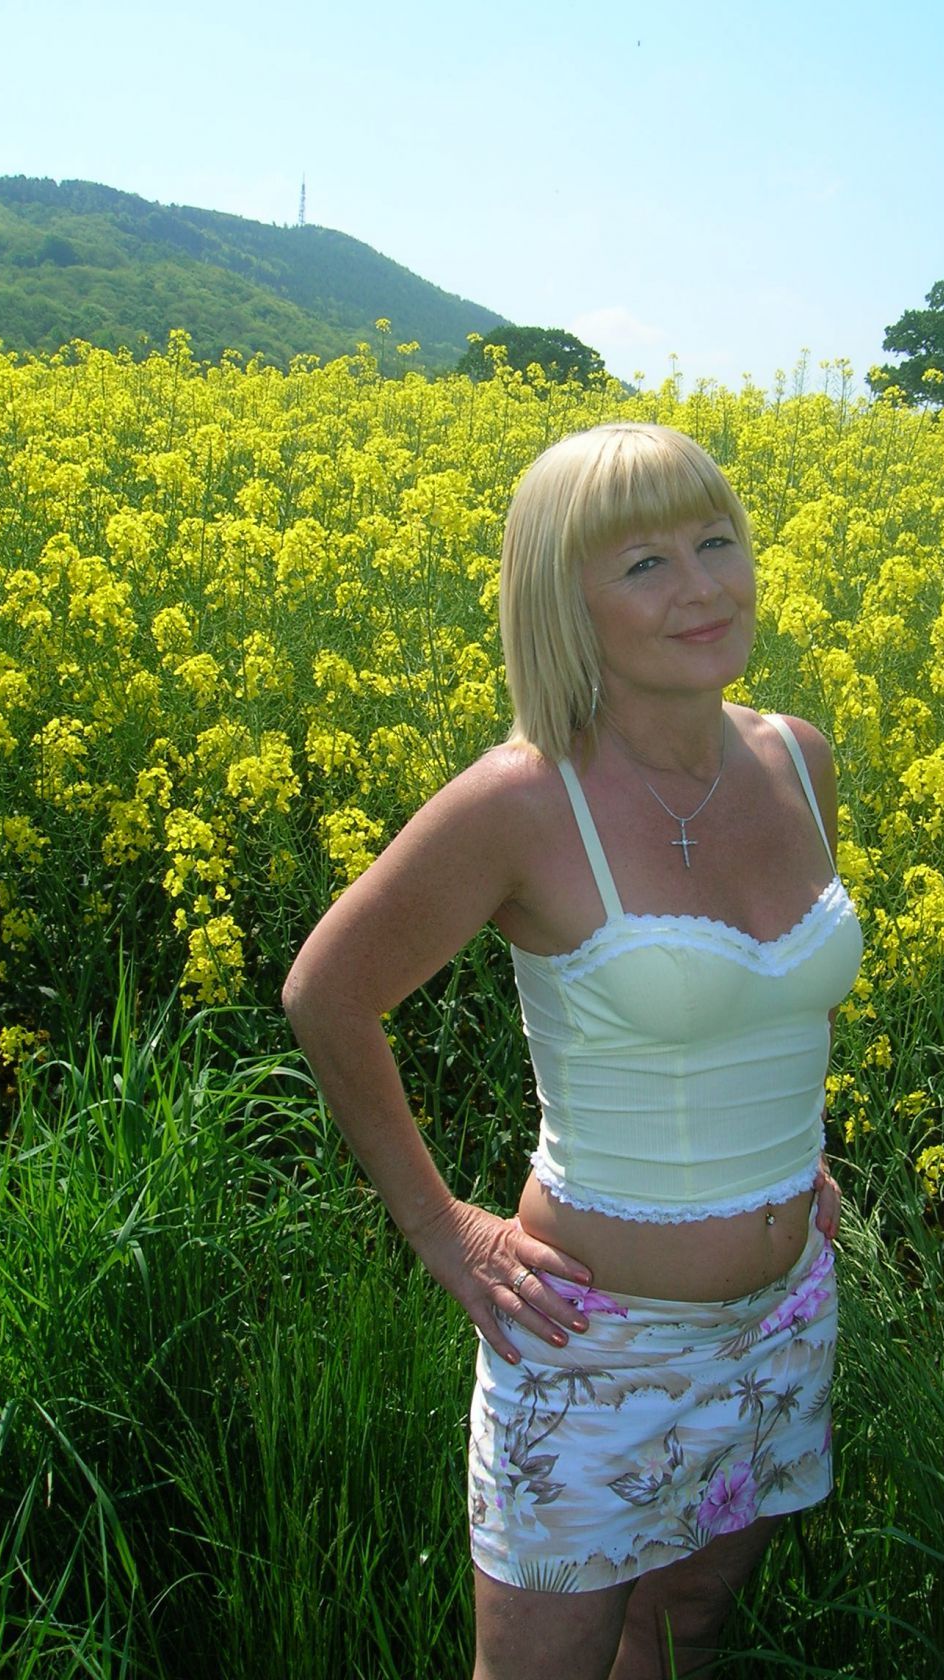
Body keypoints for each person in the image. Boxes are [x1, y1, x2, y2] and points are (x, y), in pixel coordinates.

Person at [282, 422, 863, 1679]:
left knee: (684, 1630)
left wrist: (787, 1157)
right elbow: (327, 996)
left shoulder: (799, 756)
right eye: (645, 564)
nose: (703, 587)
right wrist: (445, 1229)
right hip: (591, 1344)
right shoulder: (523, 800)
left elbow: (778, 996)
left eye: (716, 541)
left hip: (785, 1316)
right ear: (564, 602)